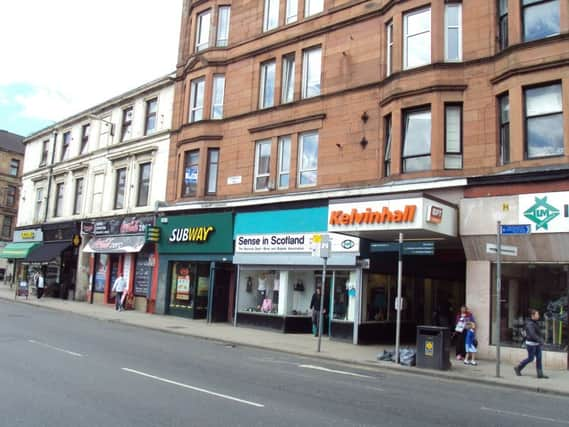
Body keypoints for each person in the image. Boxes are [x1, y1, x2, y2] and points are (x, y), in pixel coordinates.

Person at [514, 309, 549, 379]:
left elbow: (537, 333)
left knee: (539, 358)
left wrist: (541, 339)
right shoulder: (530, 323)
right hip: (531, 344)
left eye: (538, 314)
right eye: (537, 314)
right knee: (531, 358)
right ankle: (518, 367)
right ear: (533, 315)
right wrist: (541, 341)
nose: (538, 315)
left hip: (536, 344)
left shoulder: (535, 322)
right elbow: (532, 334)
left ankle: (540, 374)